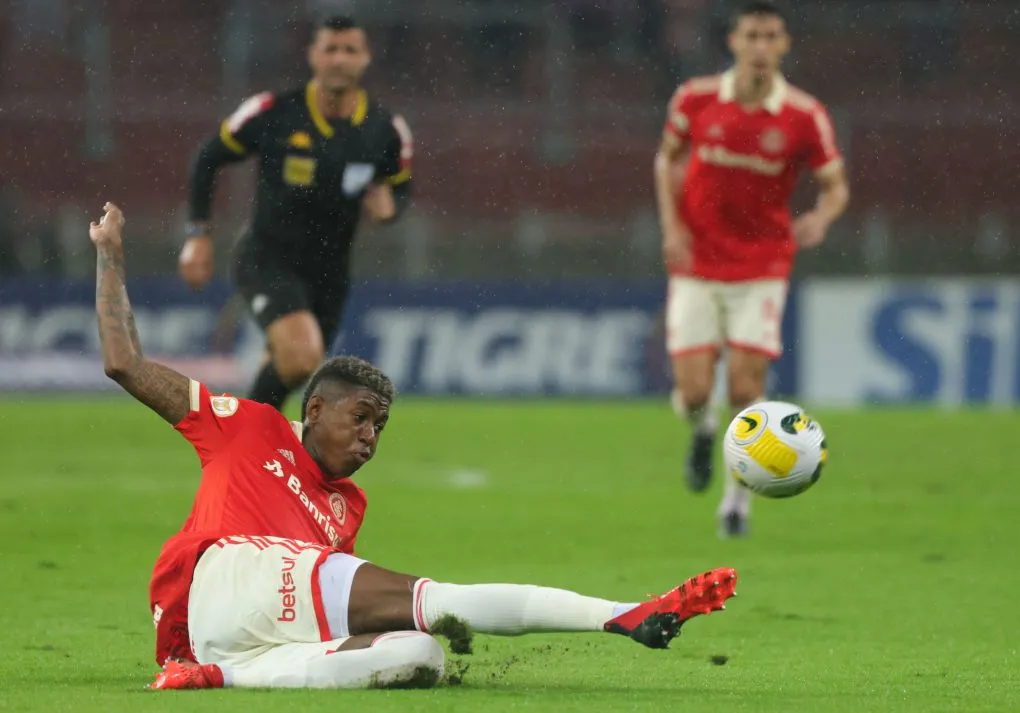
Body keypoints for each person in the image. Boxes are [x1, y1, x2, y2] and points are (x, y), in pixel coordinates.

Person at [90, 203, 737, 690]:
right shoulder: (250, 425)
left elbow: (333, 610)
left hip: (229, 642)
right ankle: (622, 613)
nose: (370, 437)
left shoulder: (347, 507)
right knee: (436, 598)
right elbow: (124, 362)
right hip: (229, 572)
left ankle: (213, 678)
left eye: (380, 427)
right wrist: (109, 253)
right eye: (361, 417)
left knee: (418, 655)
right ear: (314, 409)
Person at [654, 0, 849, 538]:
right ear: (734, 41)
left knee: (746, 387)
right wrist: (671, 227)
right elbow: (667, 157)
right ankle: (702, 430)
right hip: (696, 262)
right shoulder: (694, 98)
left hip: (762, 266)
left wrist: (821, 217)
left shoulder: (804, 115)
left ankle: (736, 503)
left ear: (783, 45)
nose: (761, 46)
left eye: (771, 36)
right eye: (752, 35)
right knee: (693, 393)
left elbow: (835, 185)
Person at [179, 15, 413, 412]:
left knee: (292, 369)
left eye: (349, 50)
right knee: (302, 356)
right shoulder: (275, 112)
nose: (339, 59)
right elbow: (208, 157)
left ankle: (248, 451)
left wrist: (391, 208)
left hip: (330, 271)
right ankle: (245, 447)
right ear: (313, 56)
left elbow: (400, 185)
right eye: (330, 49)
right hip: (267, 258)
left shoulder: (384, 129)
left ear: (366, 58)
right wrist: (198, 235)